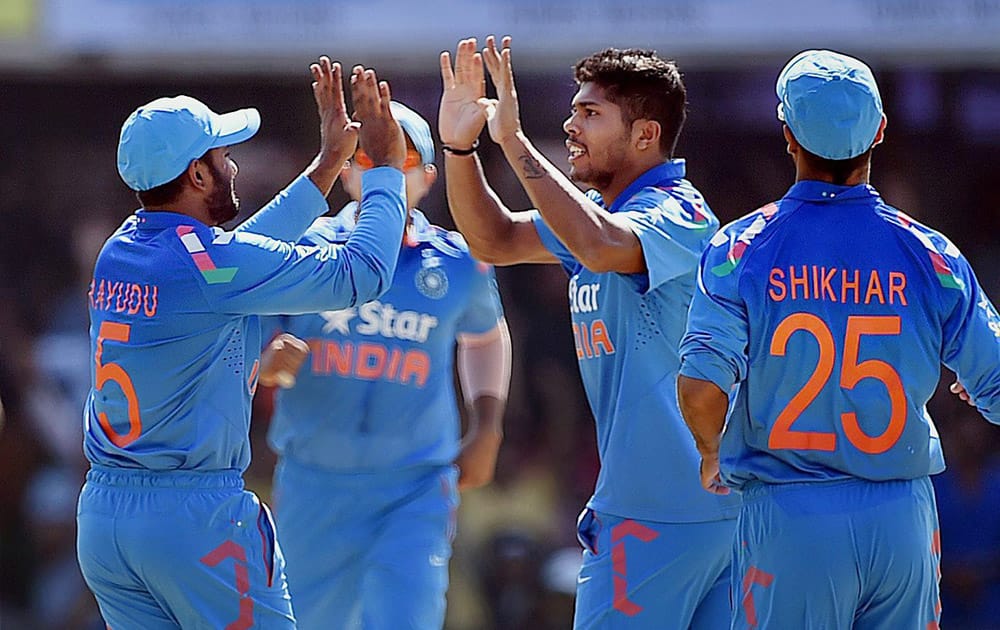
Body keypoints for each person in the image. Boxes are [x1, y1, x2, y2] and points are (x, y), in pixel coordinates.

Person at [76, 58, 410, 629]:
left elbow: (233, 258)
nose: (233, 164)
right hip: (193, 520)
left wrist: (328, 165)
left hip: (108, 520)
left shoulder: (125, 246)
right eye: (222, 155)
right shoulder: (211, 268)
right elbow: (364, 274)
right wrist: (384, 170)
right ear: (198, 176)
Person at [677, 49, 1000, 629]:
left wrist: (709, 452)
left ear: (787, 136)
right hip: (902, 518)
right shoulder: (932, 255)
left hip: (790, 516)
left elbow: (701, 386)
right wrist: (978, 391)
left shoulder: (741, 248)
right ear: (879, 131)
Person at [439, 36, 741, 629]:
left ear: (645, 135)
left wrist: (514, 142)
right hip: (686, 512)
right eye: (574, 109)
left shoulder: (676, 209)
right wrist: (458, 147)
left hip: (663, 514)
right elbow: (493, 239)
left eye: (590, 113)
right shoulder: (593, 213)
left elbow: (601, 246)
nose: (570, 125)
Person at [257, 100, 511, 630]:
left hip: (415, 484)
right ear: (347, 171)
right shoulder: (304, 248)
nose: (382, 176)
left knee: (408, 616)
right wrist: (265, 363)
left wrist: (487, 424)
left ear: (428, 177)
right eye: (368, 161)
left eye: (399, 161)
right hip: (313, 480)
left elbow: (485, 337)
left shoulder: (458, 261)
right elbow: (247, 333)